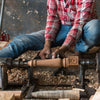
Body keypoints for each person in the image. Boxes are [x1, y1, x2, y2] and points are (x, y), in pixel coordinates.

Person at [0, 0, 99, 59]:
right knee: (22, 41)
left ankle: (78, 49)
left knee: (96, 28)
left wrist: (62, 49)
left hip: (84, 30)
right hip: (62, 29)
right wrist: (47, 45)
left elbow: (78, 25)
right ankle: (2, 57)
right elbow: (52, 19)